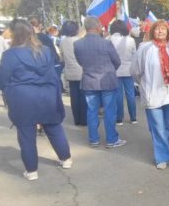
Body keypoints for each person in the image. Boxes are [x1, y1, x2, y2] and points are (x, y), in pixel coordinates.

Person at [0, 19, 72, 181]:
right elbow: (53, 71)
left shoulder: (10, 54)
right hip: (47, 94)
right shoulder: (45, 50)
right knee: (54, 127)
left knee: (26, 133)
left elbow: (2, 78)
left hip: (22, 97)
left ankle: (32, 171)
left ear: (14, 34)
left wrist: (7, 90)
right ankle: (66, 158)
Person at [131, 20, 169, 169]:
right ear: (152, 31)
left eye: (163, 29)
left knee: (167, 126)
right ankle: (161, 158)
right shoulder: (145, 48)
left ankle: (167, 152)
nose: (160, 31)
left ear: (168, 32)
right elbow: (135, 71)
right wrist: (144, 85)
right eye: (157, 29)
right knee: (157, 127)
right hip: (152, 93)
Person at [74, 17, 124, 148]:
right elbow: (117, 61)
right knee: (109, 111)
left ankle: (93, 139)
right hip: (107, 81)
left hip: (89, 81)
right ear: (98, 27)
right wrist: (110, 70)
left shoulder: (77, 44)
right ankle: (111, 139)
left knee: (92, 111)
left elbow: (80, 62)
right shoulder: (106, 43)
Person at [109, 20, 137, 125]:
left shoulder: (109, 39)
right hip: (128, 70)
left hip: (115, 70)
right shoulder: (131, 40)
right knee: (130, 94)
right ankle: (133, 118)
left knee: (118, 95)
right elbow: (135, 56)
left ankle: (119, 119)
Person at [59, 20, 87, 126]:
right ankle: (84, 119)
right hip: (81, 71)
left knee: (74, 97)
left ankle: (77, 119)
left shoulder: (63, 41)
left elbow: (61, 57)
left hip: (69, 71)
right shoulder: (80, 40)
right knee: (83, 96)